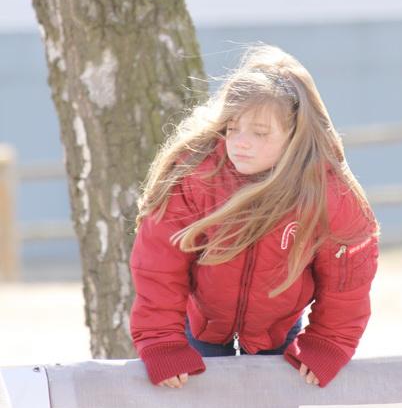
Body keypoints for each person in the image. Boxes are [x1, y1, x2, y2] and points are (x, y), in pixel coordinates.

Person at [129, 43, 380, 389]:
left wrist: (327, 342)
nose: (241, 142)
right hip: (200, 329)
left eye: (260, 133)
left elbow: (347, 278)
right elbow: (158, 265)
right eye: (232, 128)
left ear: (295, 135)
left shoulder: (324, 191)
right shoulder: (196, 175)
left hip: (278, 333)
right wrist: (162, 342)